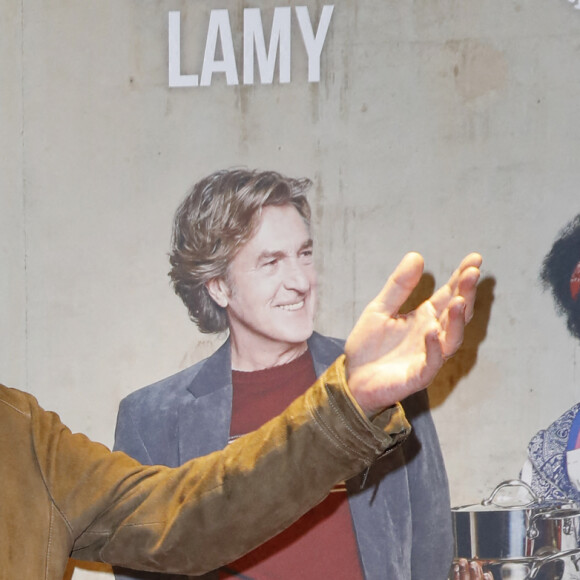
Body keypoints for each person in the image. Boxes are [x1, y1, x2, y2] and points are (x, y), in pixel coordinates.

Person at [114, 169, 481, 579]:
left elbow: (429, 544)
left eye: (303, 254)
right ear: (218, 286)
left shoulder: (382, 374)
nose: (300, 281)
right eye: (271, 262)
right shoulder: (151, 420)